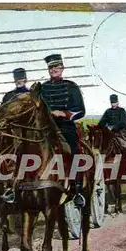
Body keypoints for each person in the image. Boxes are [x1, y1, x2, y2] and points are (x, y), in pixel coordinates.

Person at [40, 54, 86, 208]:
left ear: (62, 68)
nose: (53, 70)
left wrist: (64, 114)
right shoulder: (43, 88)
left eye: (56, 67)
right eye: (50, 67)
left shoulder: (71, 86)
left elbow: (81, 110)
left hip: (65, 126)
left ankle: (77, 190)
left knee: (74, 151)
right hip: (46, 128)